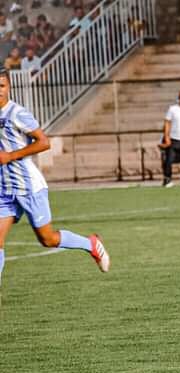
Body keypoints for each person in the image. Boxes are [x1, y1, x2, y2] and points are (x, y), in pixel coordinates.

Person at [0, 68, 110, 290]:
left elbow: (44, 142)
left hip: (28, 187)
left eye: (1, 86)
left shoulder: (17, 113)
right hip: (4, 189)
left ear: (9, 86)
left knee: (47, 239)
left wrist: (10, 156)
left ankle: (90, 244)